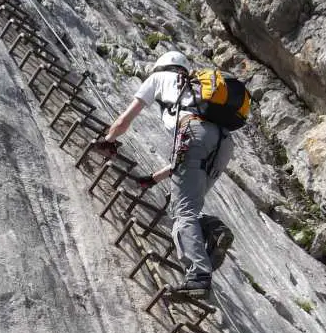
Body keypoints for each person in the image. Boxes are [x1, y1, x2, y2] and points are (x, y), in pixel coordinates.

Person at [94, 51, 234, 301]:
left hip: (194, 134)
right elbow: (185, 158)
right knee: (188, 204)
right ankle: (213, 228)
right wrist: (154, 178)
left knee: (183, 212)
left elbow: (126, 119)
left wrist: (108, 140)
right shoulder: (195, 90)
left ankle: (198, 278)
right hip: (223, 142)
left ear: (161, 66)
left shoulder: (158, 79)